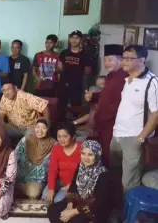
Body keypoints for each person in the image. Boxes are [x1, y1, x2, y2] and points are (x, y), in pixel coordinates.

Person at [111, 45, 158, 192]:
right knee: (115, 174)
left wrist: (141, 139)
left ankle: (128, 214)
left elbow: (156, 114)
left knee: (129, 181)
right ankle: (114, 208)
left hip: (134, 137)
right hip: (117, 134)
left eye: (128, 58)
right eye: (123, 58)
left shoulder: (152, 82)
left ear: (142, 60)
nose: (124, 61)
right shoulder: (127, 79)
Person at [47, 140, 110, 223]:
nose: (85, 158)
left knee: (75, 220)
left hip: (92, 208)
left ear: (97, 155)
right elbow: (73, 187)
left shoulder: (103, 174)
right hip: (78, 202)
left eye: (90, 155)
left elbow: (97, 203)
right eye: (83, 153)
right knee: (52, 209)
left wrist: (73, 212)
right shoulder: (81, 168)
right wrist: (69, 206)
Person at [85, 44, 126, 166]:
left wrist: (105, 118)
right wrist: (93, 95)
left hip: (111, 123)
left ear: (120, 60)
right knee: (101, 152)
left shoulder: (123, 77)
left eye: (110, 60)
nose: (106, 63)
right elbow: (104, 95)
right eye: (105, 60)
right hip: (102, 123)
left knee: (109, 154)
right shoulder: (110, 76)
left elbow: (119, 102)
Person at [15, 119, 55, 199]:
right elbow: (15, 156)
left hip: (37, 179)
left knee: (34, 193)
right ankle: (18, 186)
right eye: (37, 127)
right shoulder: (26, 139)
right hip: (20, 175)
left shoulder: (53, 144)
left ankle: (16, 187)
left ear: (48, 129)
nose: (40, 131)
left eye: (44, 128)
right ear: (34, 128)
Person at [57, 30, 92, 120]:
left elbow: (87, 70)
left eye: (77, 38)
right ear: (69, 39)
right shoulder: (64, 52)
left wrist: (77, 77)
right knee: (61, 104)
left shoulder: (85, 54)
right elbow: (59, 67)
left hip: (77, 83)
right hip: (63, 82)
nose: (74, 40)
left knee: (75, 104)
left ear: (81, 40)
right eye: (72, 38)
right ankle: (60, 122)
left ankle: (75, 124)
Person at [42, 122, 81, 203]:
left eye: (65, 136)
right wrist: (51, 189)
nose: (61, 139)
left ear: (73, 136)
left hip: (74, 184)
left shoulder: (81, 149)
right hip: (59, 181)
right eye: (59, 136)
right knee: (46, 196)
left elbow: (84, 172)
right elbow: (52, 171)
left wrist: (72, 186)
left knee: (58, 200)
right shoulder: (56, 149)